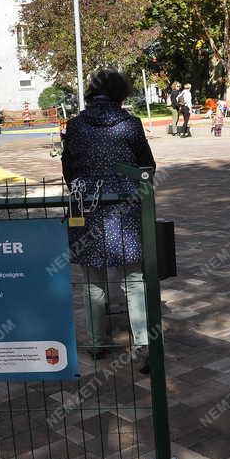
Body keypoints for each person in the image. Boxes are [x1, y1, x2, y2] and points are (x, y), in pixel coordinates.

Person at [62, 70, 155, 373]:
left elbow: (68, 167)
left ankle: (98, 342)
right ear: (121, 94)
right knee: (133, 280)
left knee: (93, 282)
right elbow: (147, 166)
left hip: (87, 205)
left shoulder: (75, 126)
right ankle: (144, 344)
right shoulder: (129, 125)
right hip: (125, 207)